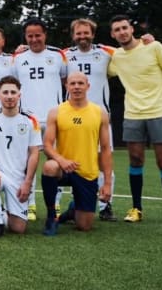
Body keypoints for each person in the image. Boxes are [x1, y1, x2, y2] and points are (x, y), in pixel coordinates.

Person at [108, 14, 162, 225]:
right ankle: (136, 208)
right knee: (135, 160)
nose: (122, 32)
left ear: (131, 29)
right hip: (132, 114)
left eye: (124, 28)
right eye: (117, 30)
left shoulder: (154, 46)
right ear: (113, 35)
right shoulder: (116, 57)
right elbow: (96, 67)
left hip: (159, 112)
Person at [41, 72, 112, 235]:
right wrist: (61, 160)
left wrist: (107, 183)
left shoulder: (100, 113)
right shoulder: (56, 112)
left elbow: (106, 149)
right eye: (72, 83)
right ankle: (52, 217)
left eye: (80, 83)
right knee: (49, 166)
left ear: (88, 86)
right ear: (66, 86)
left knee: (84, 226)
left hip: (87, 171)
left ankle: (73, 211)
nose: (76, 87)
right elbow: (47, 144)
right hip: (63, 168)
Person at [13, 17, 67, 221]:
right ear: (25, 37)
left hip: (55, 118)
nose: (34, 39)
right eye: (30, 36)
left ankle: (56, 205)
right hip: (28, 119)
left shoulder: (58, 55)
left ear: (45, 35)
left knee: (56, 163)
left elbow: (66, 82)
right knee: (29, 163)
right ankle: (30, 205)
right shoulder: (17, 58)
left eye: (38, 35)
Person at [65, 18, 118, 221]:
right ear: (73, 35)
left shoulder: (106, 52)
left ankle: (106, 205)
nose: (82, 36)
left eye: (86, 32)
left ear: (93, 34)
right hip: (73, 118)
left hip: (100, 116)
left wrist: (144, 40)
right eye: (78, 33)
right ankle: (75, 204)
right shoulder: (64, 55)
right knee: (74, 162)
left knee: (104, 160)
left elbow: (130, 50)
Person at [0, 76, 42, 237]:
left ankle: (0, 211)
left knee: (18, 228)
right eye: (5, 92)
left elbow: (34, 153)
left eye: (13, 92)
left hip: (19, 178)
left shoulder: (31, 119)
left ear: (19, 95)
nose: (9, 96)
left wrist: (27, 182)